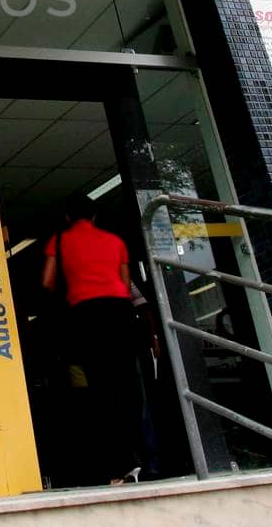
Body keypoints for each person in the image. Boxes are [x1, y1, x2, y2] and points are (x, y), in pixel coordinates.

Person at [41, 194, 158, 485]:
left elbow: (47, 282)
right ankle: (141, 461)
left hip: (87, 318)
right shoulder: (116, 242)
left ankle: (116, 467)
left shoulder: (58, 241)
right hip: (119, 315)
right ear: (95, 217)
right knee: (130, 389)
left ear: (68, 218)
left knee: (101, 391)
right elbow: (123, 281)